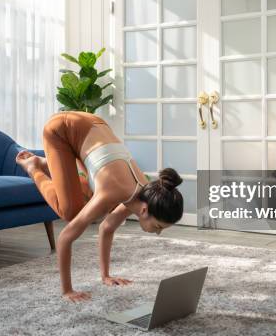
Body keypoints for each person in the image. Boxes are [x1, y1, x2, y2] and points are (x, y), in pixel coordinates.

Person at [15, 111, 184, 302]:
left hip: (93, 124)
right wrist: (67, 290)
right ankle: (34, 166)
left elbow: (107, 227)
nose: (158, 233)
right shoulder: (112, 192)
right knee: (70, 211)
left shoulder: (144, 192)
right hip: (61, 128)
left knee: (89, 194)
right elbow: (65, 238)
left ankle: (52, 165)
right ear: (144, 211)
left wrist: (106, 276)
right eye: (158, 227)